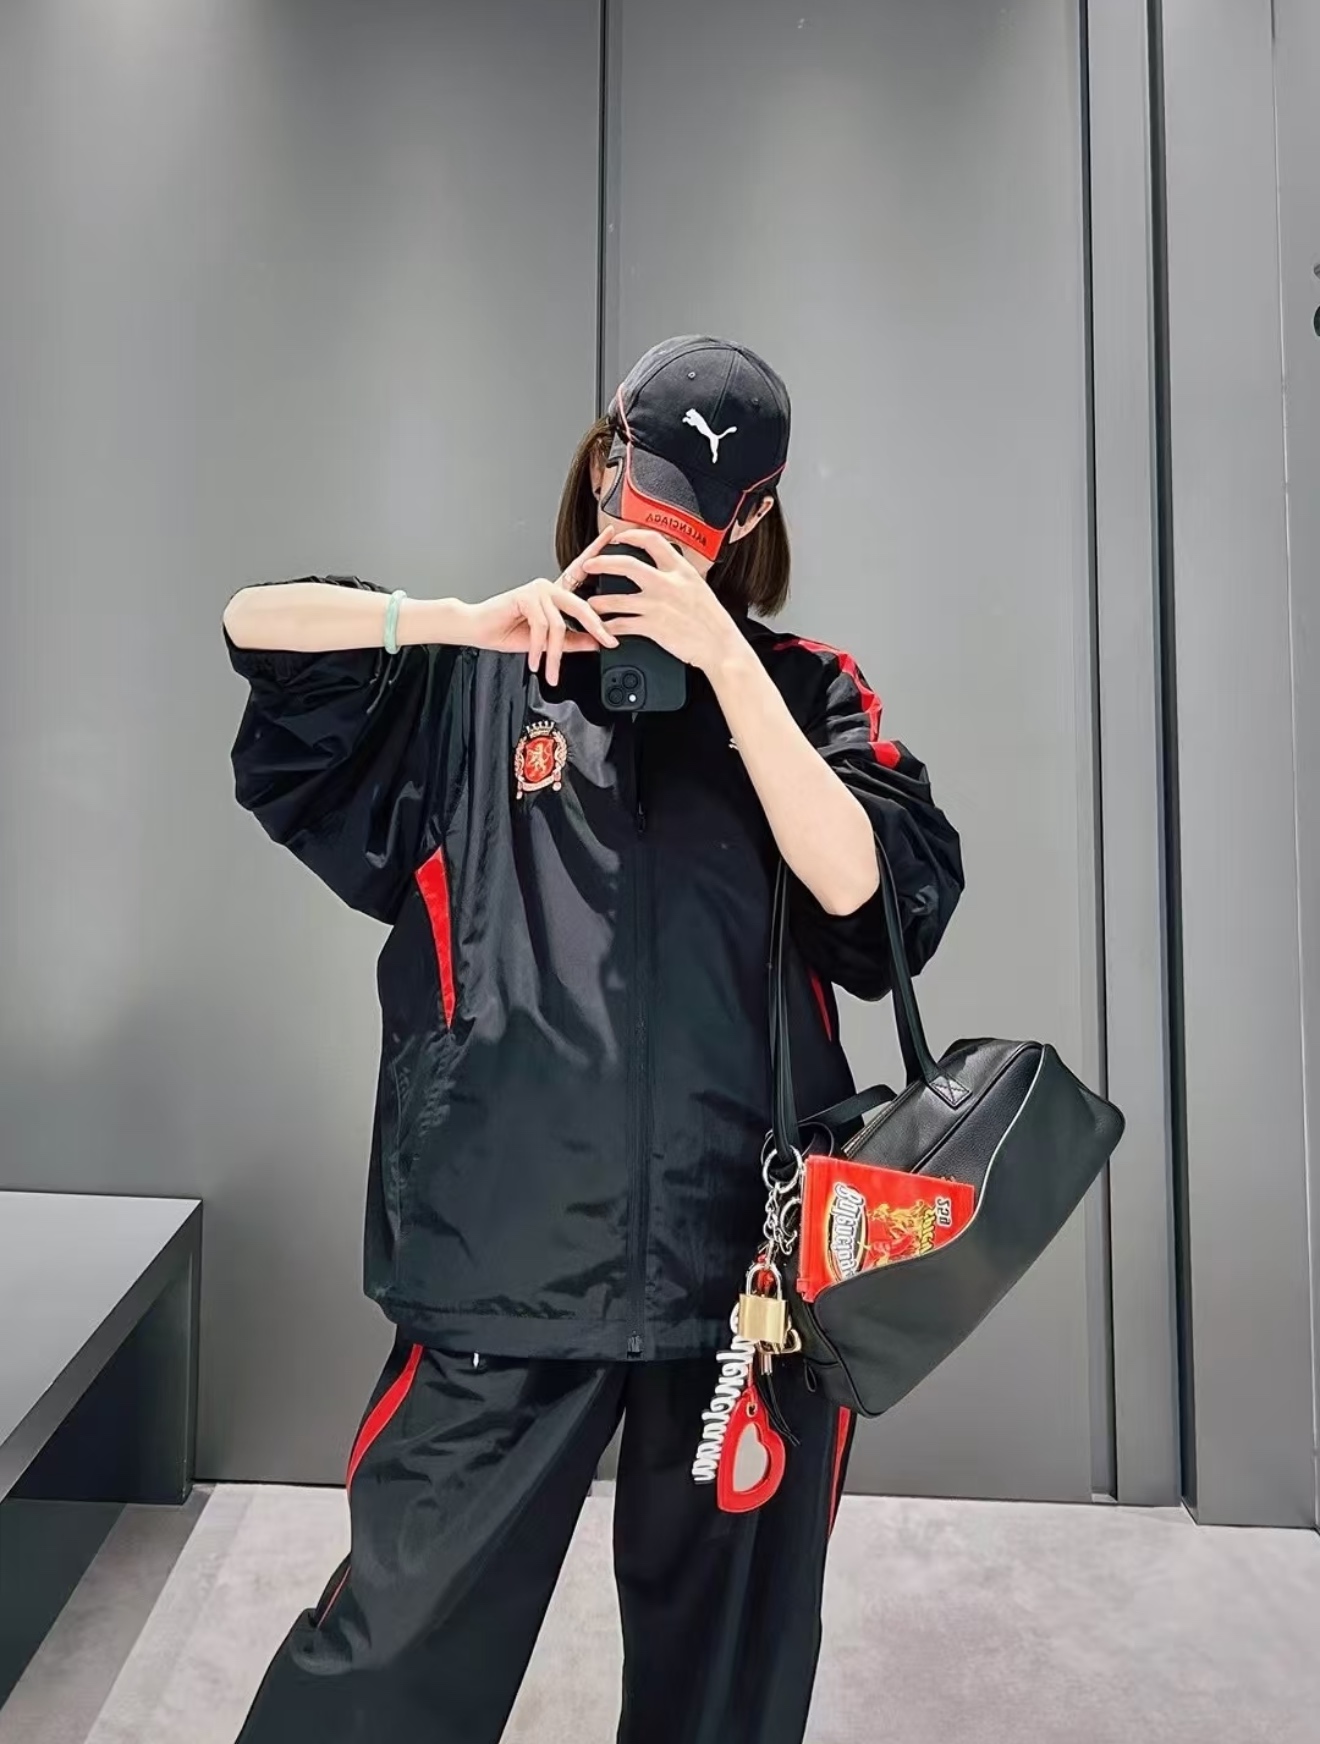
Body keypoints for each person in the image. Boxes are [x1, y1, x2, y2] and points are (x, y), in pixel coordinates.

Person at [222, 334, 964, 1744]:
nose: (654, 520)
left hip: (751, 1288)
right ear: (607, 459)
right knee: (380, 1674)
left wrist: (726, 666)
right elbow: (255, 623)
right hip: (504, 1262)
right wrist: (450, 622)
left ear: (750, 516)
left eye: (696, 506)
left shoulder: (803, 693)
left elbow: (869, 899)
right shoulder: (469, 683)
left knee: (726, 1695)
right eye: (641, 476)